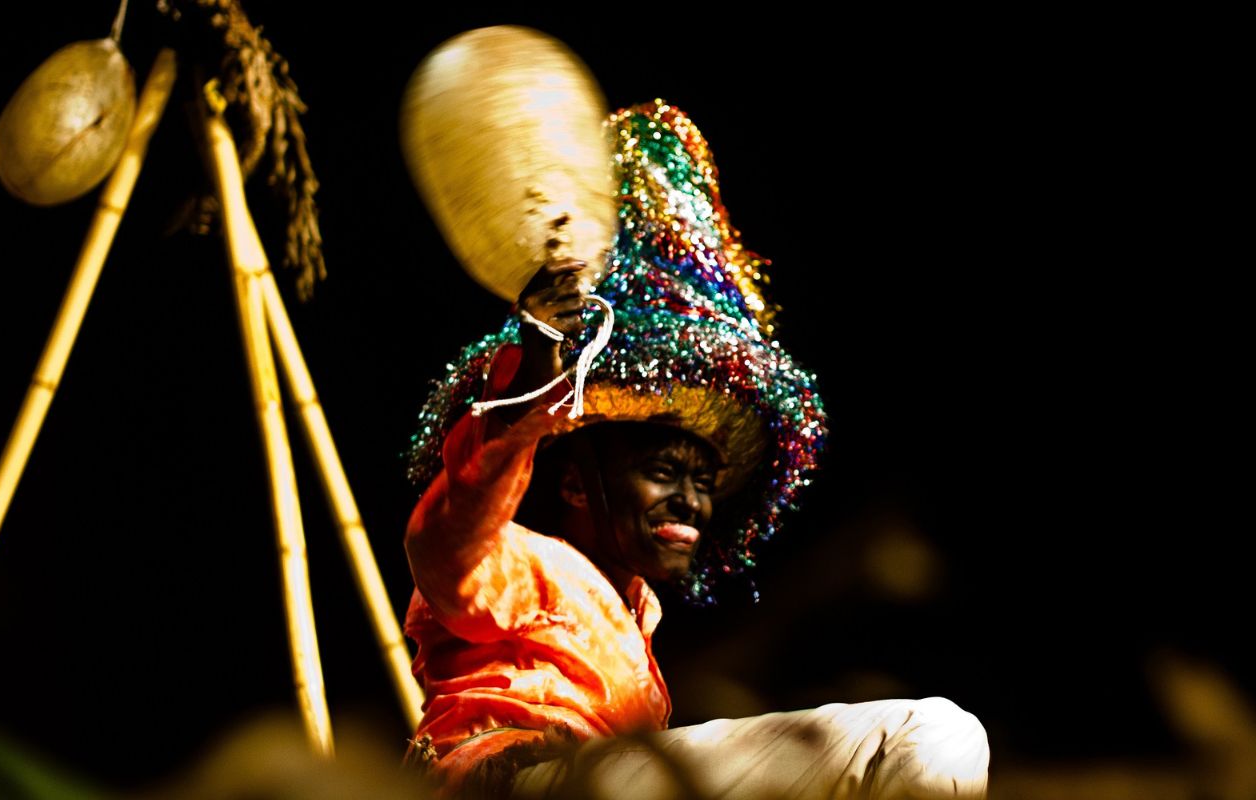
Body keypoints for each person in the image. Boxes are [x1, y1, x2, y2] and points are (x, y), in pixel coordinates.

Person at [402, 103, 989, 799]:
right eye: (662, 472)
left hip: (597, 781)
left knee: (932, 746)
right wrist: (531, 394)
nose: (693, 500)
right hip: (515, 786)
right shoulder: (521, 563)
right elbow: (450, 536)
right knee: (926, 736)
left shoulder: (638, 618)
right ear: (577, 487)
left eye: (704, 481)